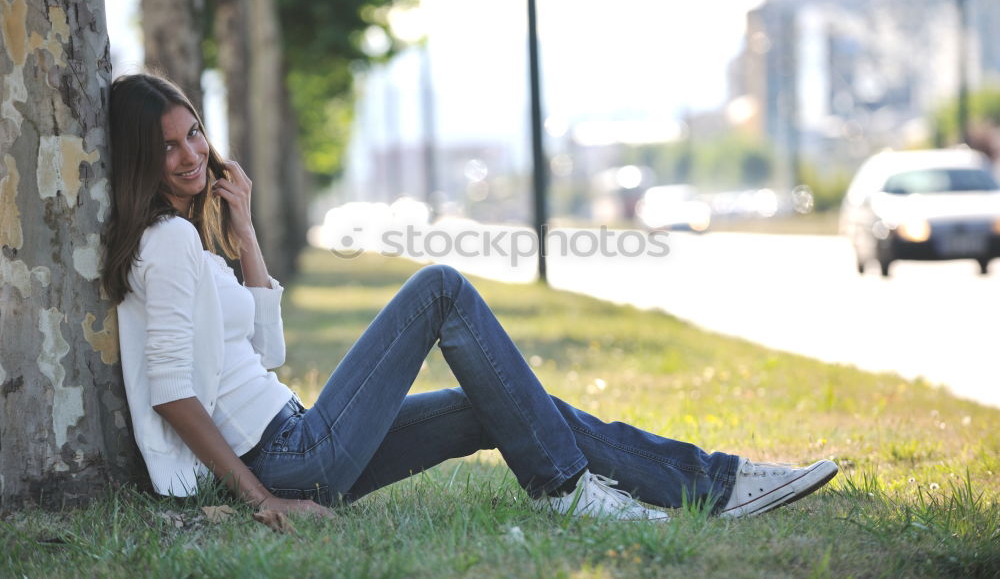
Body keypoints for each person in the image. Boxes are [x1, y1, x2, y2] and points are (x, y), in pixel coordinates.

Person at [102, 73, 838, 522]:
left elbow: (268, 353)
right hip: (286, 457)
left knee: (503, 405)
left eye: (194, 133)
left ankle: (714, 482)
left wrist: (246, 230)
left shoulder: (192, 239)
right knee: (441, 289)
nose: (193, 153)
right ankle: (572, 490)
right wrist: (260, 496)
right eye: (168, 146)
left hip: (299, 435)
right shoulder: (165, 244)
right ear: (141, 158)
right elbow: (172, 391)